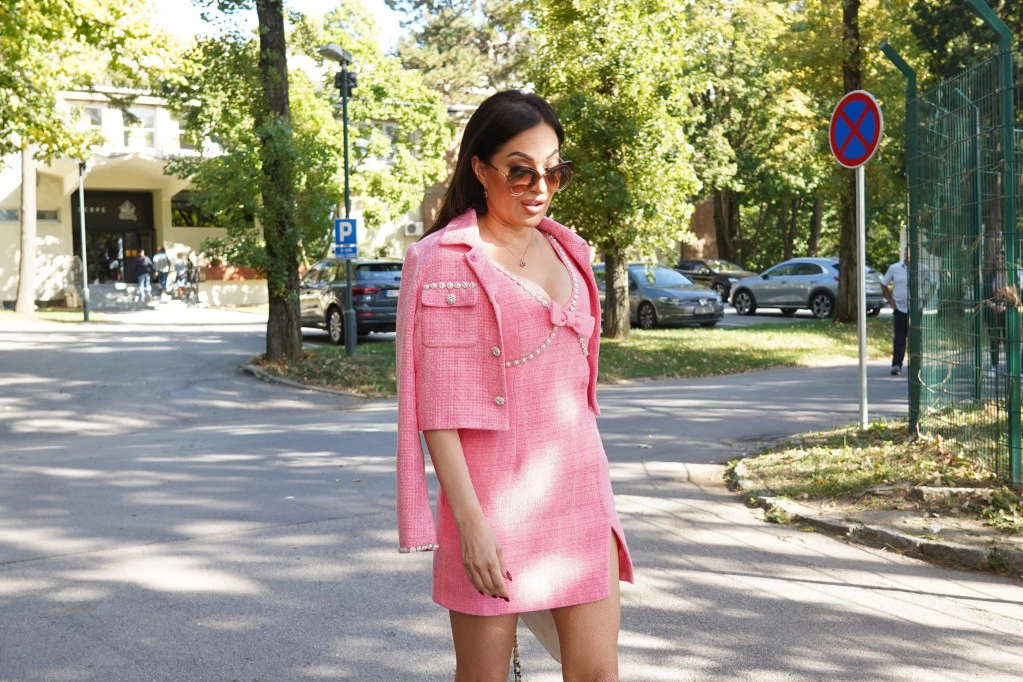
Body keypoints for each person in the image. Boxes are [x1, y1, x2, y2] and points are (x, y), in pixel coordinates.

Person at [395, 90, 634, 681]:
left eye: (554, 171)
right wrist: (470, 525)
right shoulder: (446, 259)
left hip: (579, 492)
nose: (539, 187)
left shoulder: (570, 250)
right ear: (480, 169)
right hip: (491, 504)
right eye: (520, 171)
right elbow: (437, 409)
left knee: (598, 674)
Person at [881, 247, 910, 375]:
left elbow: (934, 283)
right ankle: (897, 364)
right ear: (904, 254)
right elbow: (884, 284)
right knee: (899, 338)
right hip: (900, 308)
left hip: (916, 309)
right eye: (908, 252)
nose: (910, 255)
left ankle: (917, 366)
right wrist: (891, 301)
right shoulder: (895, 268)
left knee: (916, 339)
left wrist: (926, 299)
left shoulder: (922, 268)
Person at [983, 251, 1010, 378]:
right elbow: (984, 297)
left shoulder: (1010, 276)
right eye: (997, 258)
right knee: (994, 340)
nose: (1000, 261)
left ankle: (1011, 367)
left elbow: (1016, 295)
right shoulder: (990, 277)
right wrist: (994, 306)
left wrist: (1005, 306)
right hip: (992, 312)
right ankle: (994, 367)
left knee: (1008, 339)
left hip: (1007, 312)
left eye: (1002, 258)